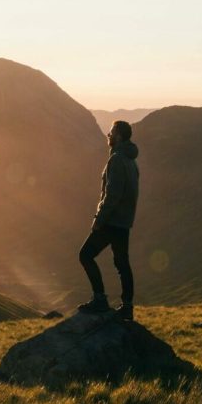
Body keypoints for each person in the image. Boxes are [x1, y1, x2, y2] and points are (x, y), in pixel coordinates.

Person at [78, 119, 139, 321]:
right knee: (122, 264)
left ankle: (100, 299)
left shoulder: (117, 160)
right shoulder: (131, 161)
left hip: (111, 221)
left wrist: (99, 219)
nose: (108, 135)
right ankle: (127, 306)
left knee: (85, 255)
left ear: (119, 135)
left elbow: (111, 195)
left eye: (111, 132)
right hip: (123, 222)